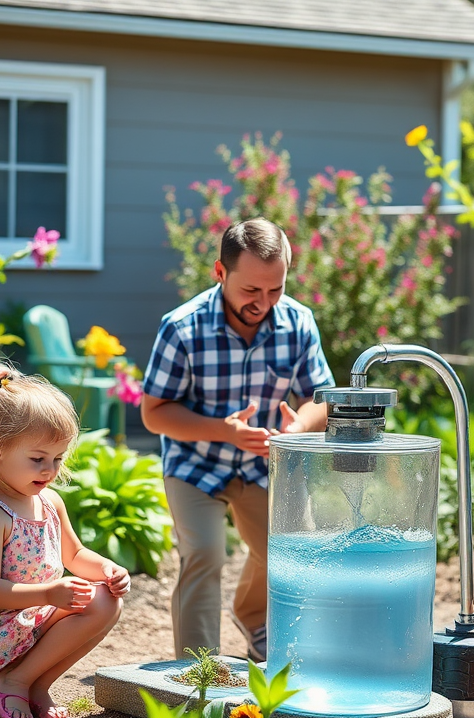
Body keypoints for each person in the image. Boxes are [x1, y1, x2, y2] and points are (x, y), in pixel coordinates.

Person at [141, 217, 335, 661]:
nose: (264, 303)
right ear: (220, 272)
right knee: (205, 555)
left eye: (276, 290)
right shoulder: (181, 327)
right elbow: (153, 414)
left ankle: (253, 620)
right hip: (195, 462)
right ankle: (196, 676)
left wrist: (299, 428)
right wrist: (223, 431)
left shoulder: (298, 323)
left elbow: (320, 399)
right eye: (251, 291)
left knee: (285, 549)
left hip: (263, 462)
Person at [0, 362, 129, 718]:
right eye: (37, 459)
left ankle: (35, 683)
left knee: (108, 601)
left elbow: (75, 555)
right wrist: (48, 593)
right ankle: (9, 678)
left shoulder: (50, 503)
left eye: (57, 459)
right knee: (92, 602)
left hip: (35, 616)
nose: (49, 470)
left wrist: (108, 570)